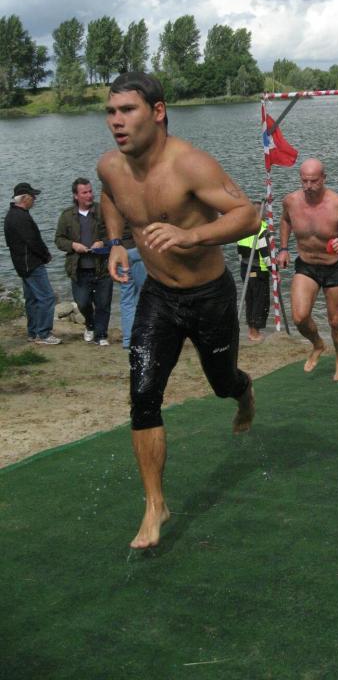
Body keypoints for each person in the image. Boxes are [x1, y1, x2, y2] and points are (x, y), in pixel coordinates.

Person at [97, 71, 258, 549]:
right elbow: (110, 196)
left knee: (221, 382)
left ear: (158, 111)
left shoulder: (190, 164)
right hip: (159, 297)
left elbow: (248, 215)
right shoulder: (110, 166)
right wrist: (115, 242)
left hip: (209, 296)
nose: (116, 121)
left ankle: (244, 390)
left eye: (127, 110)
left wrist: (192, 235)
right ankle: (155, 505)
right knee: (143, 394)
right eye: (111, 111)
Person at [277, 158, 338, 381]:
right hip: (306, 264)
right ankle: (318, 344)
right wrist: (283, 249)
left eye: (313, 181)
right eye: (304, 181)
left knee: (336, 321)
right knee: (299, 317)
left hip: (333, 265)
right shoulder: (291, 201)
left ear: (323, 178)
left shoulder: (337, 204)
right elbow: (285, 220)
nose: (308, 186)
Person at [55, 178, 113, 346]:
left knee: (103, 304)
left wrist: (102, 242)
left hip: (102, 266)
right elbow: (59, 240)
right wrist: (73, 245)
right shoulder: (67, 216)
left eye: (90, 191)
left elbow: (115, 234)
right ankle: (90, 324)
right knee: (82, 302)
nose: (89, 195)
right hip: (79, 269)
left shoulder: (103, 211)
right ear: (76, 196)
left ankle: (101, 336)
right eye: (84, 192)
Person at [3, 182, 61, 345]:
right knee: (47, 297)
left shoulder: (12, 215)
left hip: (22, 265)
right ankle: (43, 334)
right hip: (31, 264)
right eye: (32, 196)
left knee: (33, 299)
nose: (35, 199)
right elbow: (33, 241)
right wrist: (46, 255)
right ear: (24, 198)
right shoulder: (20, 217)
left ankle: (33, 332)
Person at [237, 200, 271, 342]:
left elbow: (239, 252)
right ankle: (254, 332)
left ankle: (251, 330)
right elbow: (266, 255)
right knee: (260, 301)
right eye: (265, 212)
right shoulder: (262, 230)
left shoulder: (243, 229)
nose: (267, 214)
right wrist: (273, 270)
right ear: (261, 214)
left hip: (245, 269)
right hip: (259, 271)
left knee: (250, 299)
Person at [119, 221, 147, 349]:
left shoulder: (110, 213)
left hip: (121, 251)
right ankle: (141, 336)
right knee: (143, 295)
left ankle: (128, 339)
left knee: (127, 298)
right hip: (138, 249)